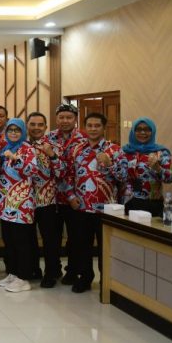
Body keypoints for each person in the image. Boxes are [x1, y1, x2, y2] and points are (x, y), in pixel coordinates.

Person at [66, 112, 126, 293]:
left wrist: (109, 164)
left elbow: (123, 177)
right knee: (82, 246)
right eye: (90, 126)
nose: (93, 129)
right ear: (85, 127)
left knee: (105, 248)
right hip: (81, 206)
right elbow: (67, 175)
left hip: (106, 209)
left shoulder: (114, 150)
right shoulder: (76, 149)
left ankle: (106, 282)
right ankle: (85, 278)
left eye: (97, 126)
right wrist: (71, 196)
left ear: (104, 128)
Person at [0, 118, 48, 293]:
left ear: (23, 132)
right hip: (5, 201)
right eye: (10, 130)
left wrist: (15, 159)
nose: (13, 133)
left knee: (21, 242)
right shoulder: (5, 148)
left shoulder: (27, 148)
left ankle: (24, 277)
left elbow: (31, 170)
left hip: (21, 203)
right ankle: (13, 272)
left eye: (17, 130)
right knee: (9, 240)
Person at [46, 103, 86, 285]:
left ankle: (72, 271)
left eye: (69, 117)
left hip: (76, 199)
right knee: (52, 238)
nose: (65, 121)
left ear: (75, 119)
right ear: (56, 118)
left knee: (75, 238)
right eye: (61, 117)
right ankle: (53, 270)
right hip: (52, 197)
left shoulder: (84, 139)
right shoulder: (49, 138)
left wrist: (71, 195)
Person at [26, 112, 64, 288]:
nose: (36, 128)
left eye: (40, 124)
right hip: (25, 201)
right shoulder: (22, 146)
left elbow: (62, 173)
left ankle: (52, 272)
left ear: (46, 126)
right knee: (28, 239)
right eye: (32, 124)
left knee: (50, 240)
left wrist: (52, 156)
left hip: (46, 200)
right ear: (27, 125)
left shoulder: (54, 146)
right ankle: (33, 269)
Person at [121, 117, 172, 217]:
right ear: (133, 131)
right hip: (127, 202)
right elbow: (118, 176)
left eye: (147, 129)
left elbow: (170, 178)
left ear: (152, 131)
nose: (143, 132)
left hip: (152, 203)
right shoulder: (124, 151)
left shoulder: (161, 152)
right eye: (138, 129)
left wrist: (158, 168)